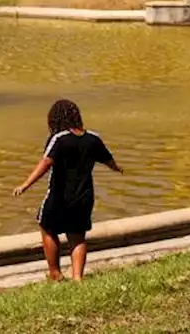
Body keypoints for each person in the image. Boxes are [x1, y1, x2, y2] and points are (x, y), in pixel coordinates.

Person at [13, 99, 122, 281]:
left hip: (59, 195)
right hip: (84, 195)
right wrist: (118, 169)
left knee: (47, 228)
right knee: (77, 236)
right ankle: (77, 277)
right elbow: (108, 160)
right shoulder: (93, 139)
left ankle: (55, 273)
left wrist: (25, 184)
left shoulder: (59, 139)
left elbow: (46, 162)